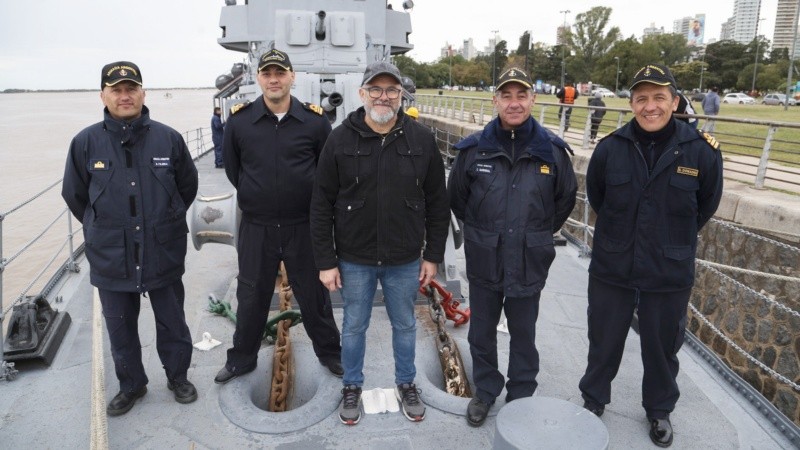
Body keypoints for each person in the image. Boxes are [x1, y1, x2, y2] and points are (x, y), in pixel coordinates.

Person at [578, 64, 723, 447]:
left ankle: (659, 410)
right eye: (642, 98)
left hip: (668, 267)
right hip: (614, 264)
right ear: (632, 104)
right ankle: (593, 399)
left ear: (674, 102)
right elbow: (598, 198)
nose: (650, 106)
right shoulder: (610, 149)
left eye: (659, 97)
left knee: (661, 347)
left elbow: (705, 206)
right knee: (603, 340)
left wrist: (671, 239)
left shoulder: (701, 152)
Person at [310, 61, 450, 426]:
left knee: (404, 324)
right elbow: (321, 204)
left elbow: (438, 201)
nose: (383, 97)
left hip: (404, 258)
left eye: (391, 90)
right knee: (354, 324)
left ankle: (406, 383)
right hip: (354, 258)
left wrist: (432, 255)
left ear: (401, 95)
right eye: (376, 89)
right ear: (362, 94)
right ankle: (352, 386)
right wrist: (327, 261)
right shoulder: (339, 139)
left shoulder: (421, 140)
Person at [61, 61, 199, 416]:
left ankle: (178, 377)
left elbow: (187, 187)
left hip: (162, 250)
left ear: (143, 92)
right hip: (111, 257)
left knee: (172, 321)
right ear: (103, 95)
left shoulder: (168, 139)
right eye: (117, 90)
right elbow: (75, 195)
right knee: (120, 328)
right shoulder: (85, 142)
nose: (125, 96)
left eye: (131, 88)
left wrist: (163, 221)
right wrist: (103, 229)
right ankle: (132, 385)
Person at [448, 67, 578, 427]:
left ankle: (521, 394)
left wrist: (534, 233)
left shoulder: (551, 151)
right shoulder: (473, 150)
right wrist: (485, 233)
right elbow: (458, 198)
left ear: (533, 100)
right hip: (485, 256)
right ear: (496, 101)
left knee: (524, 333)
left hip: (528, 258)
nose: (514, 103)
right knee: (481, 332)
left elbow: (564, 200)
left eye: (522, 95)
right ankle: (486, 391)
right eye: (507, 95)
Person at [214, 49, 343, 385]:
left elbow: (326, 172)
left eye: (280, 73)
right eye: (267, 73)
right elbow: (234, 170)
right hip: (257, 227)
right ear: (258, 78)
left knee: (314, 296)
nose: (274, 79)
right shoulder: (240, 122)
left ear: (291, 77)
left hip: (303, 226)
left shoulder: (315, 122)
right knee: (252, 295)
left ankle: (330, 354)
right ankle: (241, 359)